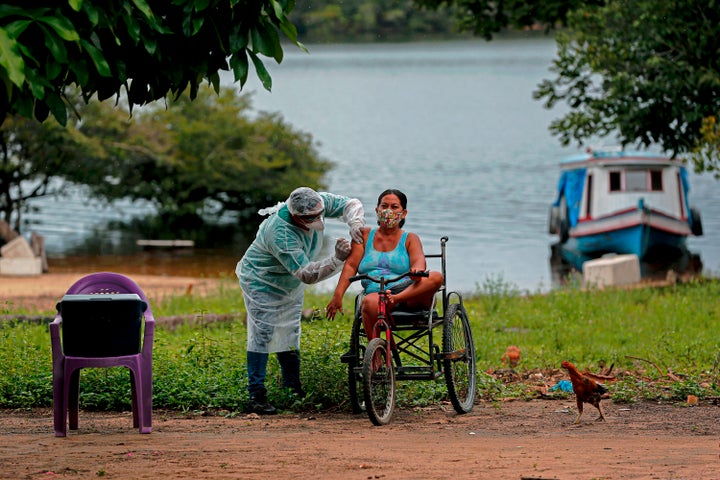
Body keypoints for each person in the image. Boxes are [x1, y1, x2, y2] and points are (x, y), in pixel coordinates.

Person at [236, 187, 365, 414]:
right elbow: (307, 274)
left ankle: (292, 389)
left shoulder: (317, 202)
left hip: (289, 283)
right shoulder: (280, 233)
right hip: (261, 280)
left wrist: (355, 224)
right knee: (263, 332)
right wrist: (336, 259)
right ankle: (256, 394)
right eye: (311, 218)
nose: (318, 219)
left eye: (320, 214)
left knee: (290, 332)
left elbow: (351, 204)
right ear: (297, 216)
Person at [325, 189, 443, 339]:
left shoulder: (410, 238)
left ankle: (395, 300)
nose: (388, 211)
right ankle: (375, 352)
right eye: (384, 206)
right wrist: (338, 295)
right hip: (376, 291)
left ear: (403, 213)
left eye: (394, 207)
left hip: (408, 292)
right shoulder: (364, 236)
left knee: (436, 277)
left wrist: (417, 271)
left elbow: (419, 260)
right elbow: (351, 266)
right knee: (369, 302)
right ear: (377, 210)